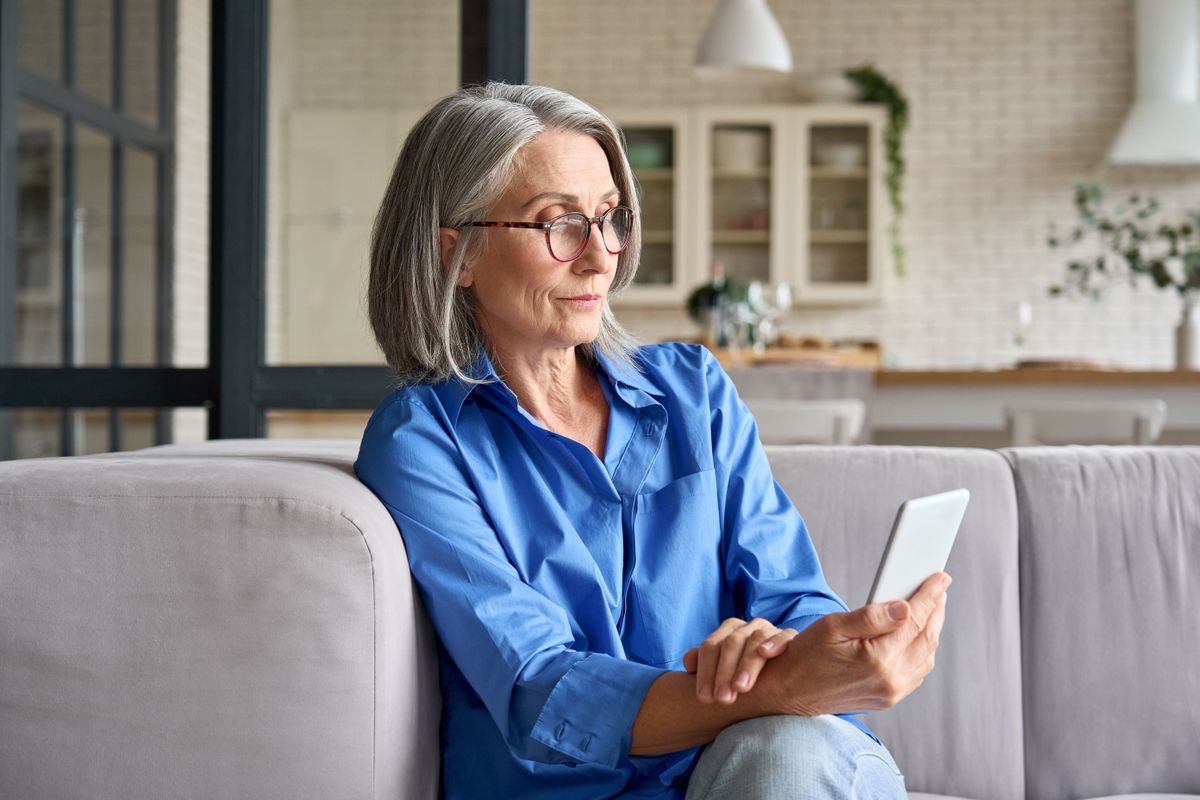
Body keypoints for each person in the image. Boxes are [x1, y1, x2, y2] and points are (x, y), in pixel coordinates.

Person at [354, 82, 948, 800]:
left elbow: (793, 597)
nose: (601, 256)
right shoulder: (425, 440)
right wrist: (776, 683)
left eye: (611, 219)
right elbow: (538, 687)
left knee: (787, 757)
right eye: (560, 224)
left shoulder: (692, 391)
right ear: (460, 254)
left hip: (763, 766)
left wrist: (784, 652)